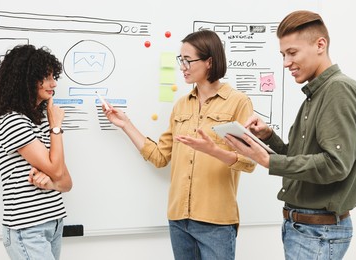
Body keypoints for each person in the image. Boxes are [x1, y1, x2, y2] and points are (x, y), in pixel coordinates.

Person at [223, 10, 356, 260]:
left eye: (292, 53)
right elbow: (304, 158)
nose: (286, 63)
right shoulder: (317, 93)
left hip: (317, 231)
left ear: (320, 45)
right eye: (283, 54)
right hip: (307, 229)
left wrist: (269, 161)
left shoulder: (338, 90)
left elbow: (336, 165)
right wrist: (269, 137)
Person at [101, 30, 256, 260]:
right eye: (180, 60)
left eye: (188, 60)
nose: (182, 66)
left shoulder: (238, 102)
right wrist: (125, 124)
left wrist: (213, 151)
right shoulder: (181, 106)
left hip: (216, 222)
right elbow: (160, 157)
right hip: (179, 220)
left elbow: (249, 161)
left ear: (209, 61)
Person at [0, 44, 73, 260]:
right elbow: (56, 167)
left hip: (54, 222)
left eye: (53, 76)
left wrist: (51, 182)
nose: (53, 83)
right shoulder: (12, 120)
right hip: (28, 229)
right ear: (26, 79)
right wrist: (56, 127)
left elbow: (66, 183)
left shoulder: (41, 120)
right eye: (45, 77)